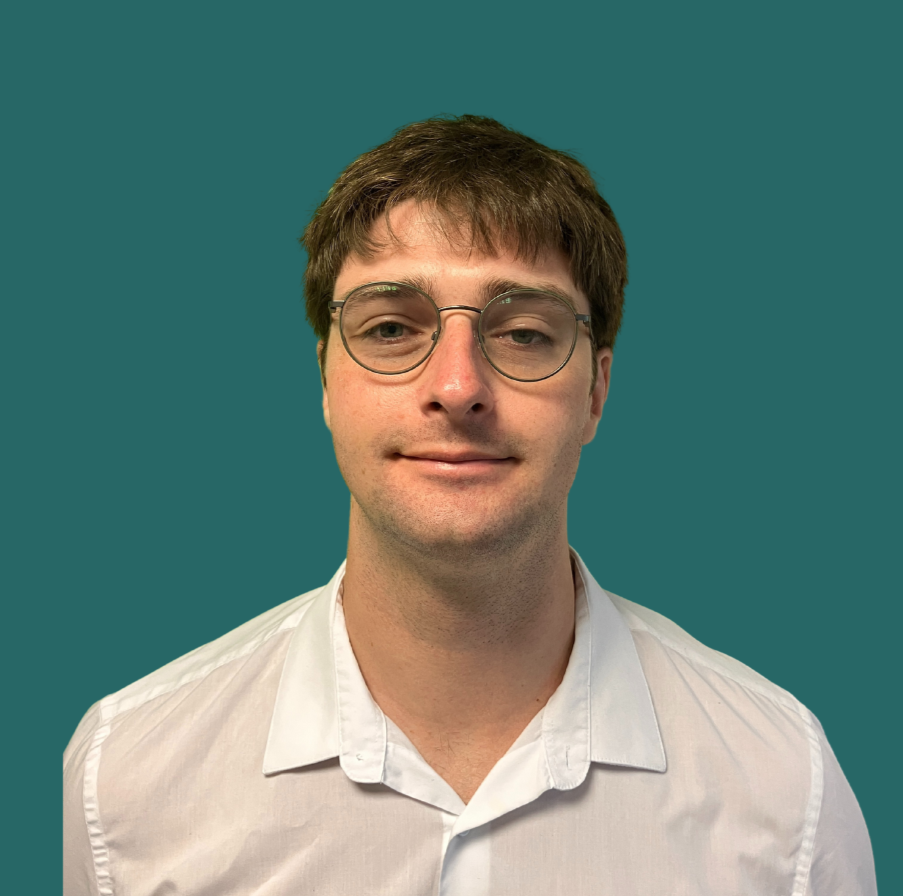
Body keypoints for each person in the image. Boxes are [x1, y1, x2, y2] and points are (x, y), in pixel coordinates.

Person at [63, 115, 876, 895]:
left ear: (596, 389)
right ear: (324, 380)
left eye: (523, 333)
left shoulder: (780, 783)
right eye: (389, 328)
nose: (456, 388)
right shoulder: (127, 774)